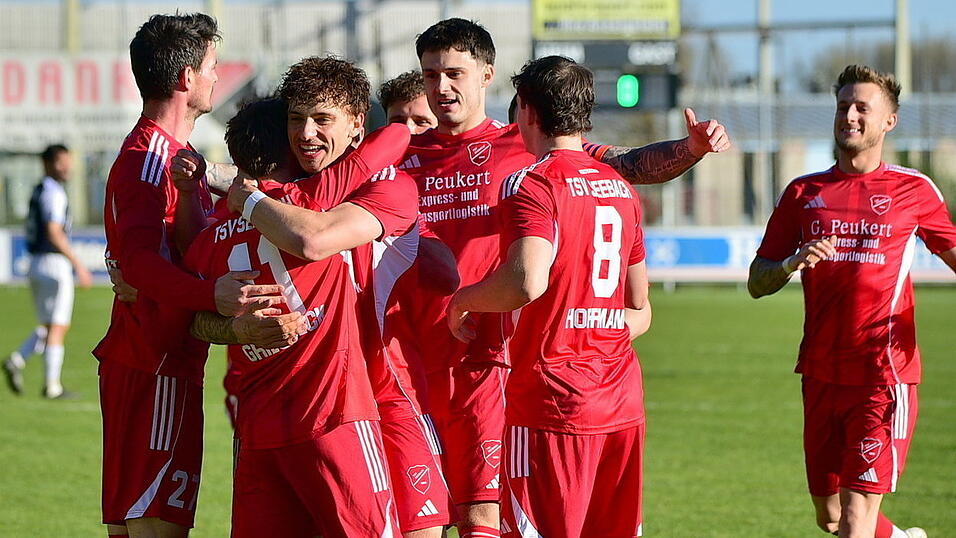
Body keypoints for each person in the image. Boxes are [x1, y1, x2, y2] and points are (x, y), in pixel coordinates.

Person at [405, 18, 730, 535]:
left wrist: (689, 150)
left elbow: (628, 166)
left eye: (453, 74)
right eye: (429, 76)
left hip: (493, 363)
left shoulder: (527, 151)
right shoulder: (399, 157)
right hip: (414, 363)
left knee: (485, 515)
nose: (440, 88)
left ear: (486, 74)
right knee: (414, 522)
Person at [182, 91, 417, 537]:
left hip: (258, 432)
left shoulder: (210, 238)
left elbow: (191, 320)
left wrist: (234, 327)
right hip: (334, 417)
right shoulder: (315, 207)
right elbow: (392, 138)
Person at [93, 13, 287, 538]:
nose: (215, 77)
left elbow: (168, 253)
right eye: (211, 66)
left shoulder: (175, 158)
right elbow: (137, 263)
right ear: (185, 78)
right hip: (154, 364)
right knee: (156, 527)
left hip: (158, 362)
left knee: (140, 525)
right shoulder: (148, 159)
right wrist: (210, 293)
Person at [447, 55, 651, 538]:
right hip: (621, 401)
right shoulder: (622, 189)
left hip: (552, 401)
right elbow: (638, 306)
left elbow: (526, 281)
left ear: (527, 111)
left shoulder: (533, 181)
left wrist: (463, 299)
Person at [748, 64, 956, 538]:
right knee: (833, 517)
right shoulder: (803, 193)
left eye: (864, 107)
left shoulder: (914, 190)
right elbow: (756, 281)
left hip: (882, 376)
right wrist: (788, 264)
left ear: (889, 121)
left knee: (857, 520)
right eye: (844, 106)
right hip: (820, 374)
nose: (851, 116)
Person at [3, 144, 91, 399]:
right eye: (63, 162)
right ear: (50, 163)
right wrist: (77, 263)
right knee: (59, 326)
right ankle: (52, 386)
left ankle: (17, 360)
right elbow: (54, 232)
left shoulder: (40, 190)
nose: (68, 167)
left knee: (48, 325)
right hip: (53, 263)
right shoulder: (54, 192)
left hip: (35, 262)